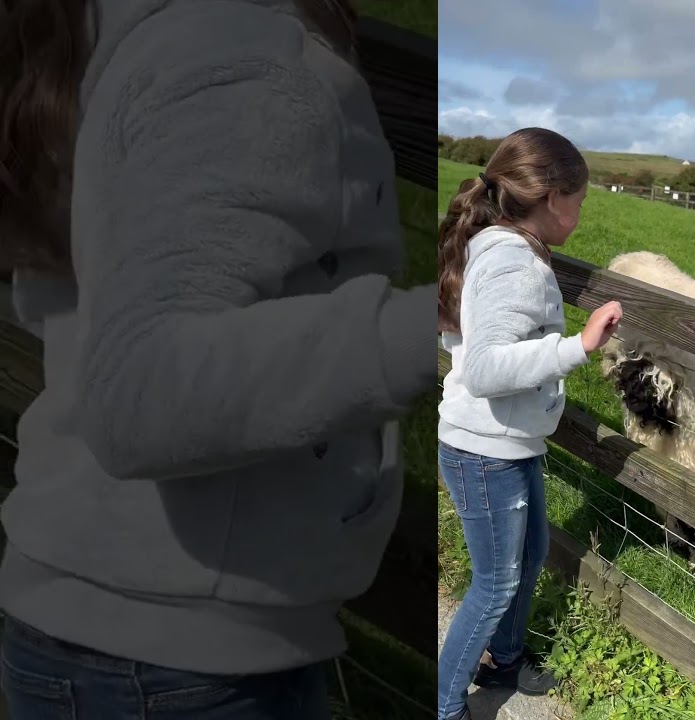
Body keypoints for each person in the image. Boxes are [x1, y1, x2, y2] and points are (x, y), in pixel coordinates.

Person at [0, 0, 438, 717]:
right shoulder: (235, 59)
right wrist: (433, 325)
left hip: (113, 623)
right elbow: (146, 393)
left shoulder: (141, 32)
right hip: (178, 663)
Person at [435, 127, 623, 720]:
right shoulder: (514, 263)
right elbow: (485, 369)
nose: (582, 214)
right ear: (551, 197)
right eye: (580, 201)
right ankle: (444, 704)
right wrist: (578, 347)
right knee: (494, 584)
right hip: (484, 451)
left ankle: (505, 661)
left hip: (508, 442)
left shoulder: (499, 246)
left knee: (532, 552)